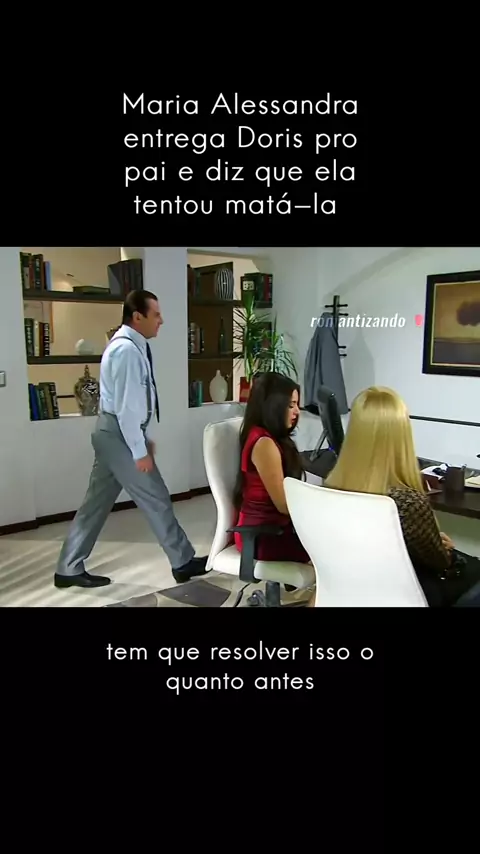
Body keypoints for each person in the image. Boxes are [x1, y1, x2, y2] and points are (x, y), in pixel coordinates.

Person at [54, 289, 207, 589]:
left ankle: (68, 568)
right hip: (118, 435)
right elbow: (126, 410)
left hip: (113, 433)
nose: (161, 320)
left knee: (95, 505)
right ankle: (183, 562)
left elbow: (131, 406)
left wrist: (141, 439)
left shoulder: (132, 346)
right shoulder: (125, 351)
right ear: (138, 316)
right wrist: (139, 450)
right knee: (156, 496)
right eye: (156, 314)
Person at [324, 385, 480, 607]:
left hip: (358, 591)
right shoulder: (407, 502)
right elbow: (440, 563)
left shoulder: (332, 488)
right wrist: (444, 549)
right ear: (401, 435)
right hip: (410, 595)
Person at [233, 371, 311, 564]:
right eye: (291, 405)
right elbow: (283, 505)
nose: (297, 412)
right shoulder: (264, 444)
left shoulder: (270, 436)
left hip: (275, 529)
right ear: (274, 406)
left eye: (297, 405)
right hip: (262, 535)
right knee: (331, 549)